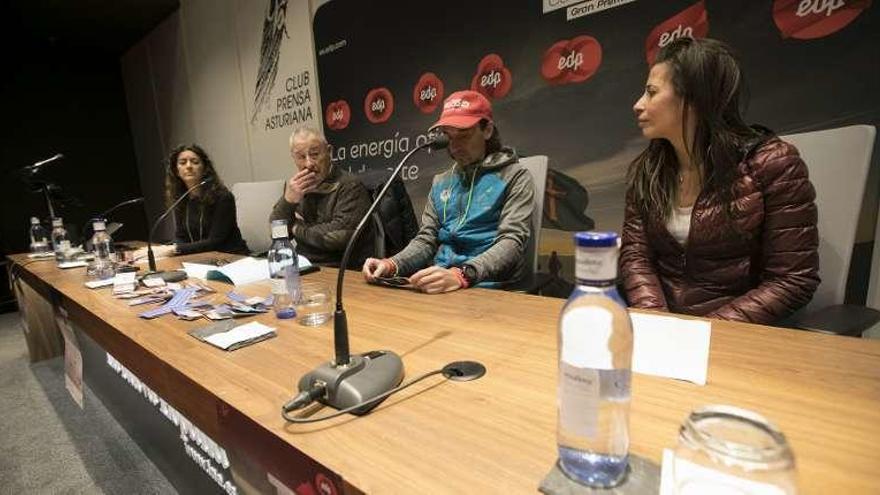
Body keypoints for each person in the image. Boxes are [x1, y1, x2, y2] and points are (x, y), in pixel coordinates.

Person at [620, 37, 819, 325]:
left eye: (652, 92)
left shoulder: (773, 162)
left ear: (696, 98)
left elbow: (792, 280)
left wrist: (703, 332)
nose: (638, 104)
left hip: (735, 334)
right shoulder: (648, 170)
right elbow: (636, 257)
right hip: (659, 331)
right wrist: (657, 324)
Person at [362, 90, 535, 293]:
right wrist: (392, 263)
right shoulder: (441, 182)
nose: (455, 146)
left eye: (464, 135)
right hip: (441, 281)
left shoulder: (516, 176)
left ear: (487, 130)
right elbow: (426, 240)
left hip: (489, 286)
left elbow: (512, 242)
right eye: (449, 136)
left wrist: (462, 274)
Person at [269, 127, 373, 268]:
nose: (309, 164)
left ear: (329, 152)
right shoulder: (296, 188)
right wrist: (288, 202)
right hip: (303, 266)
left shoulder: (350, 186)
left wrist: (295, 227)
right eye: (301, 157)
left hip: (341, 269)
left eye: (315, 154)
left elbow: (336, 237)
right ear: (294, 159)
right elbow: (276, 234)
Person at [136, 144, 248, 260]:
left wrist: (173, 249)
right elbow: (181, 236)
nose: (189, 166)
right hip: (200, 258)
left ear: (204, 168)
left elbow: (215, 241)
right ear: (176, 171)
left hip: (231, 257)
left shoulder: (223, 197)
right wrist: (165, 249)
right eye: (183, 162)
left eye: (195, 162)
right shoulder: (181, 198)